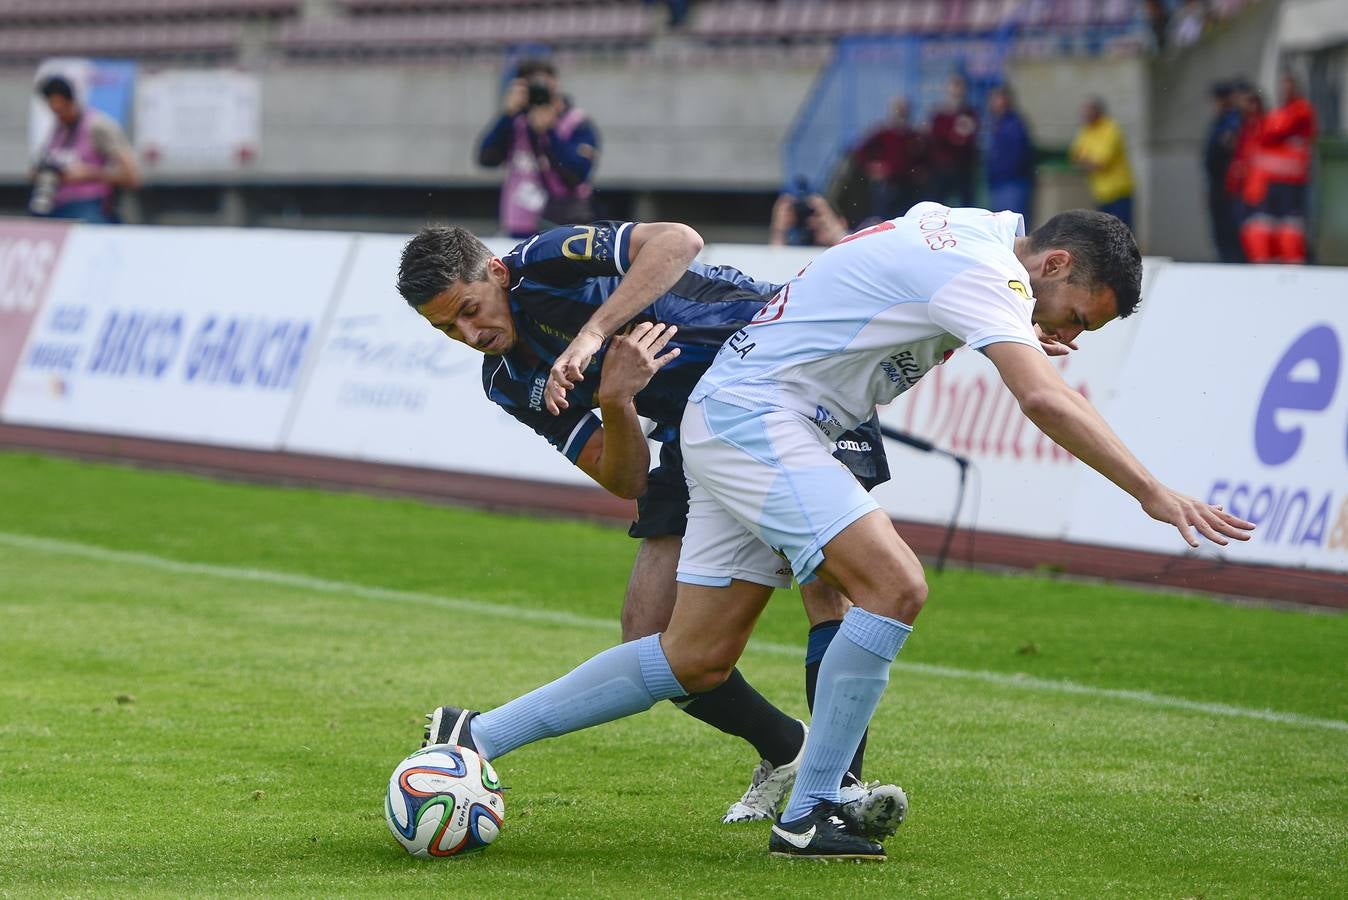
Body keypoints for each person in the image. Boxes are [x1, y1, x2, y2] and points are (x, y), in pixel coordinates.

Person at [416, 205, 1255, 860]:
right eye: (1075, 317)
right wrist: (1152, 491)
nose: (1065, 336)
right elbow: (1041, 397)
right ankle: (814, 809)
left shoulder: (962, 234)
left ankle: (476, 738)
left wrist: (1006, 316)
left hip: (734, 410)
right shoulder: (985, 265)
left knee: (692, 658)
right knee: (894, 585)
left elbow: (885, 283)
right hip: (761, 415)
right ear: (1056, 263)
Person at [395, 220, 906, 830]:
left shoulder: (544, 260)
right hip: (697, 431)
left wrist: (592, 336)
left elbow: (679, 241)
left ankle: (834, 795)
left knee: (829, 584)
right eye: (448, 329)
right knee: (649, 635)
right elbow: (628, 480)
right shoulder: (509, 382)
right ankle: (787, 747)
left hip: (787, 375)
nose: (470, 334)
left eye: (469, 310)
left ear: (497, 273)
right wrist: (617, 401)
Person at [477, 59, 600, 238]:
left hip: (563, 225)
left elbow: (576, 175)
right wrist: (507, 115)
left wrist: (550, 132)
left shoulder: (576, 122)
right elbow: (486, 159)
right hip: (519, 223)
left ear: (556, 84)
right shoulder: (515, 122)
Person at [29, 75, 141, 224]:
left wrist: (90, 173)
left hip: (91, 206)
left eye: (61, 109)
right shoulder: (58, 130)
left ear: (70, 101)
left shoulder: (97, 126)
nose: (58, 114)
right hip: (57, 205)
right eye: (54, 110)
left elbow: (132, 177)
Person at [1239, 72, 1317, 264]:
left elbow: (1274, 132)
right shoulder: (1270, 117)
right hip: (1266, 183)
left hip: (1288, 183)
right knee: (1264, 225)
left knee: (1288, 226)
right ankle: (1266, 261)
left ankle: (1290, 263)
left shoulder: (1299, 111)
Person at [851, 97, 927, 222]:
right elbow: (861, 151)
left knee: (907, 217)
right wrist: (873, 166)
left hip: (908, 185)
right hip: (888, 184)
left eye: (904, 109)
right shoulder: (884, 133)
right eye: (899, 109)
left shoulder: (913, 135)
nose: (902, 112)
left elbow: (923, 157)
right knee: (884, 217)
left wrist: (920, 171)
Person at [1070, 98, 1135, 230]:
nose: (1083, 115)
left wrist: (1085, 160)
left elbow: (1101, 164)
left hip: (1118, 192)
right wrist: (1088, 161)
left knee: (1121, 232)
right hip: (1100, 192)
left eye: (1087, 112)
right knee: (1103, 234)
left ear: (1097, 112)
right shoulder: (1087, 131)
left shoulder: (1110, 129)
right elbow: (1075, 155)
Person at [1204, 80, 1245, 263]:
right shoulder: (1221, 121)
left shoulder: (1232, 121)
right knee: (1220, 232)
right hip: (1218, 184)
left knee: (1228, 232)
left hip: (1227, 186)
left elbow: (1228, 147)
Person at [984, 85, 1036, 226]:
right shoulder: (996, 123)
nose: (992, 103)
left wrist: (1002, 171)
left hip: (1012, 183)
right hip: (998, 183)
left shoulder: (1014, 124)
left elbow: (1017, 155)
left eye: (996, 99)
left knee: (1012, 227)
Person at [928, 73, 979, 209]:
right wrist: (954, 137)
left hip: (963, 167)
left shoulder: (969, 113)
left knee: (966, 206)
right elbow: (937, 138)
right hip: (942, 168)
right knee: (937, 207)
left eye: (960, 87)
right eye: (954, 87)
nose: (957, 91)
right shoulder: (940, 115)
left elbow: (971, 137)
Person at [768, 190, 850, 247]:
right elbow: (777, 260)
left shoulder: (854, 244)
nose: (814, 222)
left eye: (819, 215)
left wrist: (829, 220)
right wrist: (779, 231)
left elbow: (847, 249)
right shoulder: (801, 246)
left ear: (843, 223)